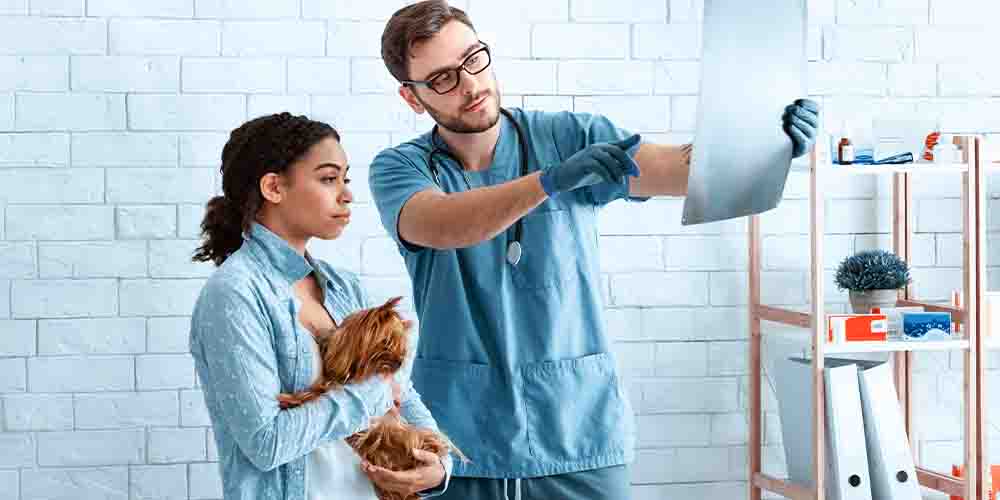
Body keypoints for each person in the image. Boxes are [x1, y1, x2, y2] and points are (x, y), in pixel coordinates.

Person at [370, 2, 820, 498]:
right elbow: (443, 222)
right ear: (412, 98)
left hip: (578, 430)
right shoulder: (399, 169)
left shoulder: (570, 137)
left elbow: (678, 169)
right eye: (442, 79)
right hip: (460, 442)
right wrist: (547, 182)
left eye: (474, 59)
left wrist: (765, 140)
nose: (470, 84)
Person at [188, 112, 453, 500]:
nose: (346, 194)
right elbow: (266, 443)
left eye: (344, 178)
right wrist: (373, 394)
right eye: (328, 179)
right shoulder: (235, 294)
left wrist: (439, 467)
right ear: (273, 187)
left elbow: (401, 391)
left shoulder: (344, 287)